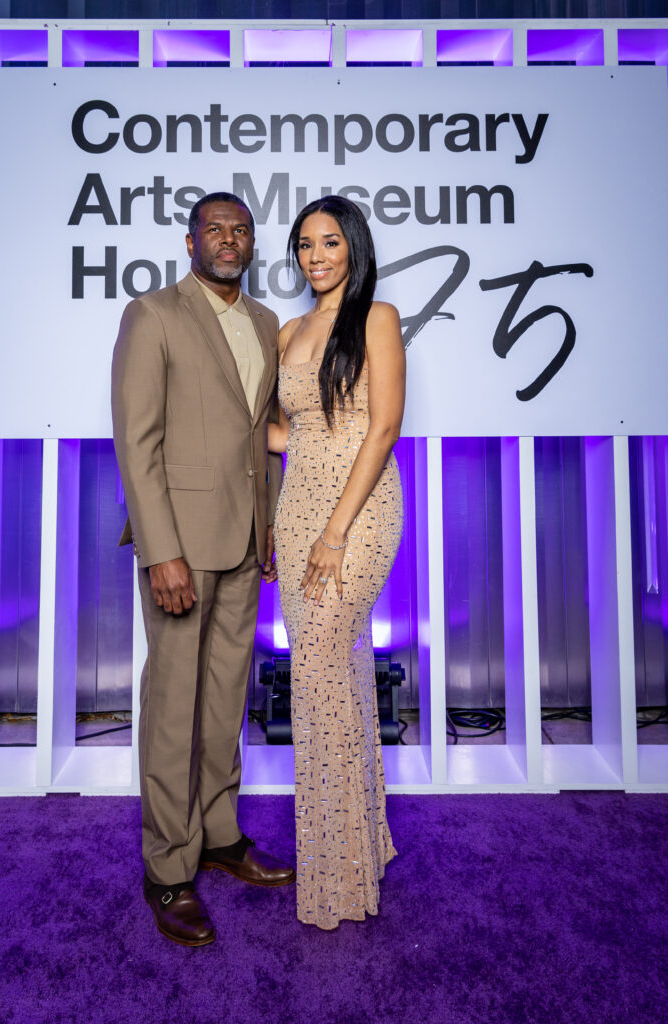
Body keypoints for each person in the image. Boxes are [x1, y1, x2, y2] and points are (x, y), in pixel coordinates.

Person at [111, 192, 295, 948]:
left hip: (247, 544)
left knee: (225, 701)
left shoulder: (262, 324)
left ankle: (219, 837)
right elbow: (137, 440)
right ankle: (168, 869)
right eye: (215, 228)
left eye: (241, 229)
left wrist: (274, 527)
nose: (229, 239)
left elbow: (259, 438)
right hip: (181, 549)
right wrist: (161, 551)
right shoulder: (152, 314)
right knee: (173, 710)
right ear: (189, 241)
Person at [269, 196, 405, 930]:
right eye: (303, 244)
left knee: (318, 678)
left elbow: (381, 429)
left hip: (356, 515)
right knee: (336, 678)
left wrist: (334, 534)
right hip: (296, 515)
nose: (314, 255)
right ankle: (363, 844)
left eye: (328, 241)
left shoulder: (375, 319)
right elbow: (289, 436)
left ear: (352, 246)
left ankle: (338, 878)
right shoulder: (290, 330)